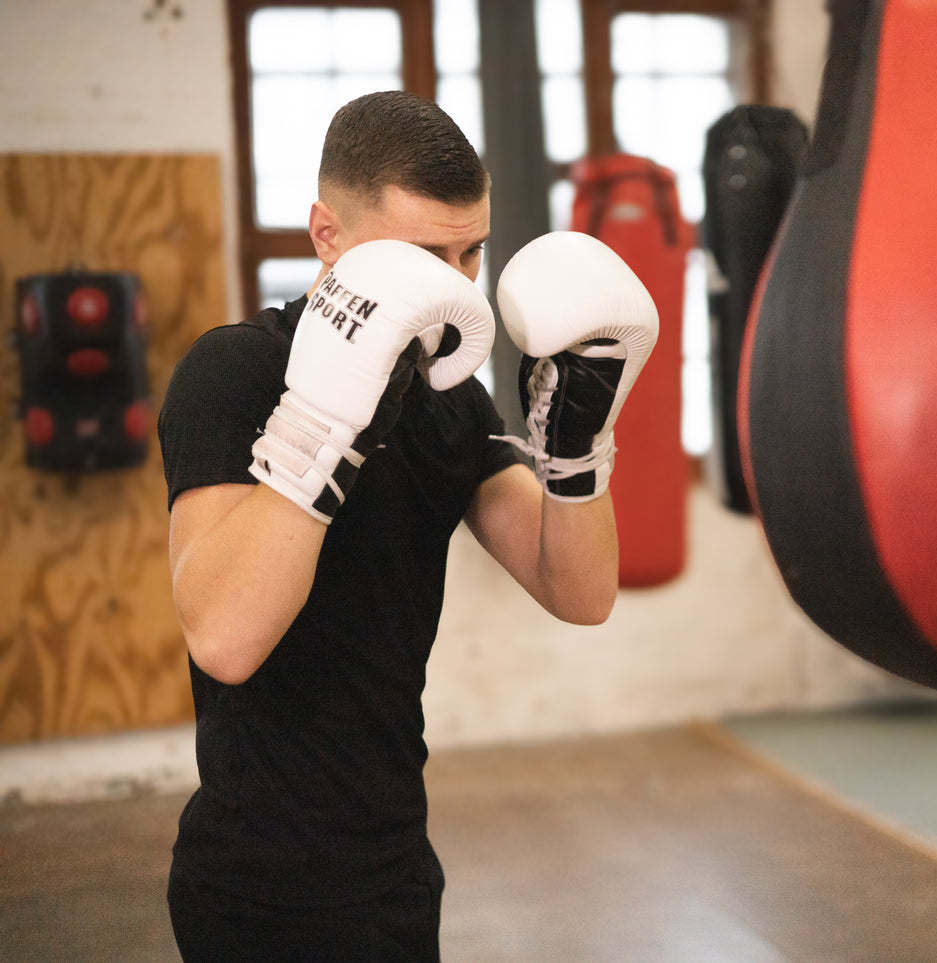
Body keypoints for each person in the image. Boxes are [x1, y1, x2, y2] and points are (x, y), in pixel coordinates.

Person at [159, 89, 656, 961]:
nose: (453, 286)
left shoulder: (447, 397)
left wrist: (578, 453)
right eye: (424, 257)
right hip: (257, 885)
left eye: (470, 255)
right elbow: (225, 638)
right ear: (327, 236)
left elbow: (578, 593)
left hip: (395, 865)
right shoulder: (233, 372)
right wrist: (323, 425)